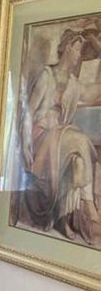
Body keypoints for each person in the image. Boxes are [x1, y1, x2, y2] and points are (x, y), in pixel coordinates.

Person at [15, 26, 101, 245]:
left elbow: (93, 91)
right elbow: (27, 113)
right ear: (68, 47)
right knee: (79, 139)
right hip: (40, 136)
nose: (79, 55)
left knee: (78, 161)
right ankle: (91, 208)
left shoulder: (73, 83)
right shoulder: (46, 75)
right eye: (78, 49)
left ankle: (66, 218)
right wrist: (25, 144)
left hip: (60, 138)